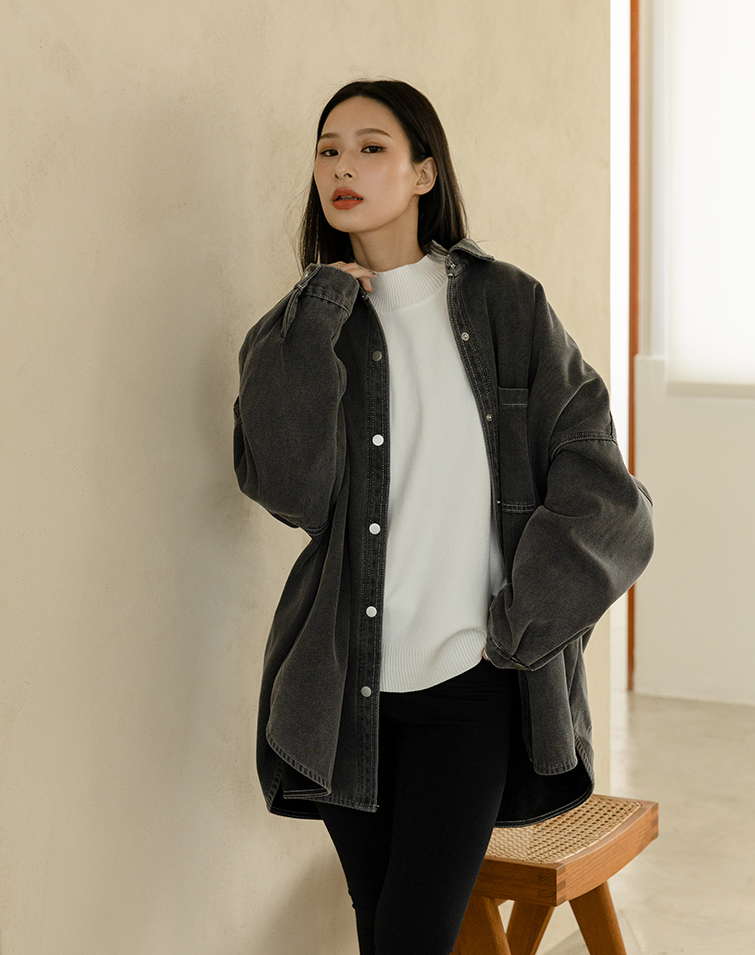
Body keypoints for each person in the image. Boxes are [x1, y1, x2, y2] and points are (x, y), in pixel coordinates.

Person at [233, 79, 653, 955]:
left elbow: (603, 491)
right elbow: (291, 490)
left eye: (370, 147)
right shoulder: (302, 327)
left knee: (412, 936)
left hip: (469, 684)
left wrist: (520, 622)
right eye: (327, 150)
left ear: (423, 172)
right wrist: (317, 315)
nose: (342, 167)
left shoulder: (507, 305)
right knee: (383, 930)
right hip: (343, 689)